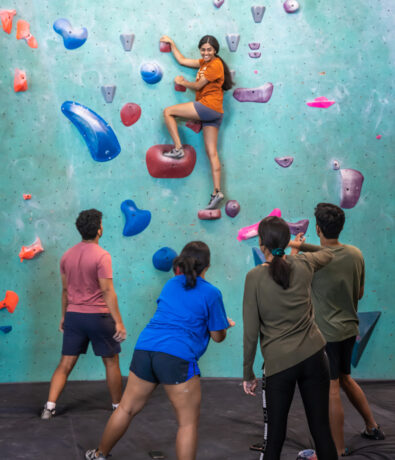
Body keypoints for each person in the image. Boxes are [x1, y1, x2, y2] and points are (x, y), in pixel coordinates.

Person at [85, 241, 234, 460]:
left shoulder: (171, 284)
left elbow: (172, 315)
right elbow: (217, 337)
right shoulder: (211, 293)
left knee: (125, 408)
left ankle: (98, 455)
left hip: (146, 348)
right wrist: (224, 326)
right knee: (187, 423)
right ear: (207, 266)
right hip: (176, 356)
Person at [289, 203, 385, 456]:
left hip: (327, 334)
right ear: (340, 227)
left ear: (318, 228)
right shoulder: (355, 254)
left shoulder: (311, 261)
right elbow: (360, 291)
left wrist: (296, 249)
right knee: (345, 378)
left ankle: (337, 450)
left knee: (331, 387)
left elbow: (294, 279)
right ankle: (372, 426)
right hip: (348, 329)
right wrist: (300, 247)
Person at [243, 216, 338, 460]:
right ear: (285, 242)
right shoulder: (304, 263)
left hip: (279, 365)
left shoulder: (254, 277)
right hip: (315, 357)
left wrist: (248, 374)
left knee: (274, 438)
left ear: (262, 244)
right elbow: (328, 252)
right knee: (322, 432)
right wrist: (297, 247)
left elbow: (251, 332)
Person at [40, 209, 126, 419]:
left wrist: (64, 316)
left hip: (74, 317)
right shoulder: (102, 256)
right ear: (99, 230)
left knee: (65, 363)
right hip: (98, 317)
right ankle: (118, 407)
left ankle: (49, 407)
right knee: (111, 361)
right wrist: (119, 322)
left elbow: (65, 290)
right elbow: (107, 291)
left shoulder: (67, 256)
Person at [160, 35, 233, 210]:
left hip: (208, 107)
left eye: (209, 49)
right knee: (212, 153)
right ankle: (217, 192)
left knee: (168, 112)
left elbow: (199, 86)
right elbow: (183, 60)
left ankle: (178, 149)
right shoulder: (204, 63)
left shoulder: (215, 65)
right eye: (203, 49)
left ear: (215, 50)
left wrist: (182, 82)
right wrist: (172, 43)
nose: (206, 52)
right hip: (215, 113)